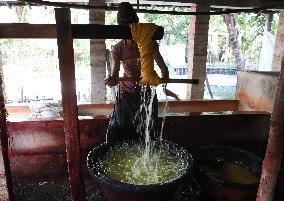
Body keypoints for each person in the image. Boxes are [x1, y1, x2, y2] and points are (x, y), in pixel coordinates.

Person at [104, 2, 169, 143]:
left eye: (133, 28)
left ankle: (147, 155)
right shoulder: (118, 49)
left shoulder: (149, 44)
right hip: (126, 94)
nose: (131, 34)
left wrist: (164, 80)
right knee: (121, 129)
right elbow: (115, 75)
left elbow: (163, 67)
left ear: (137, 27)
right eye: (126, 30)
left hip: (147, 93)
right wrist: (111, 80)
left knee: (148, 129)